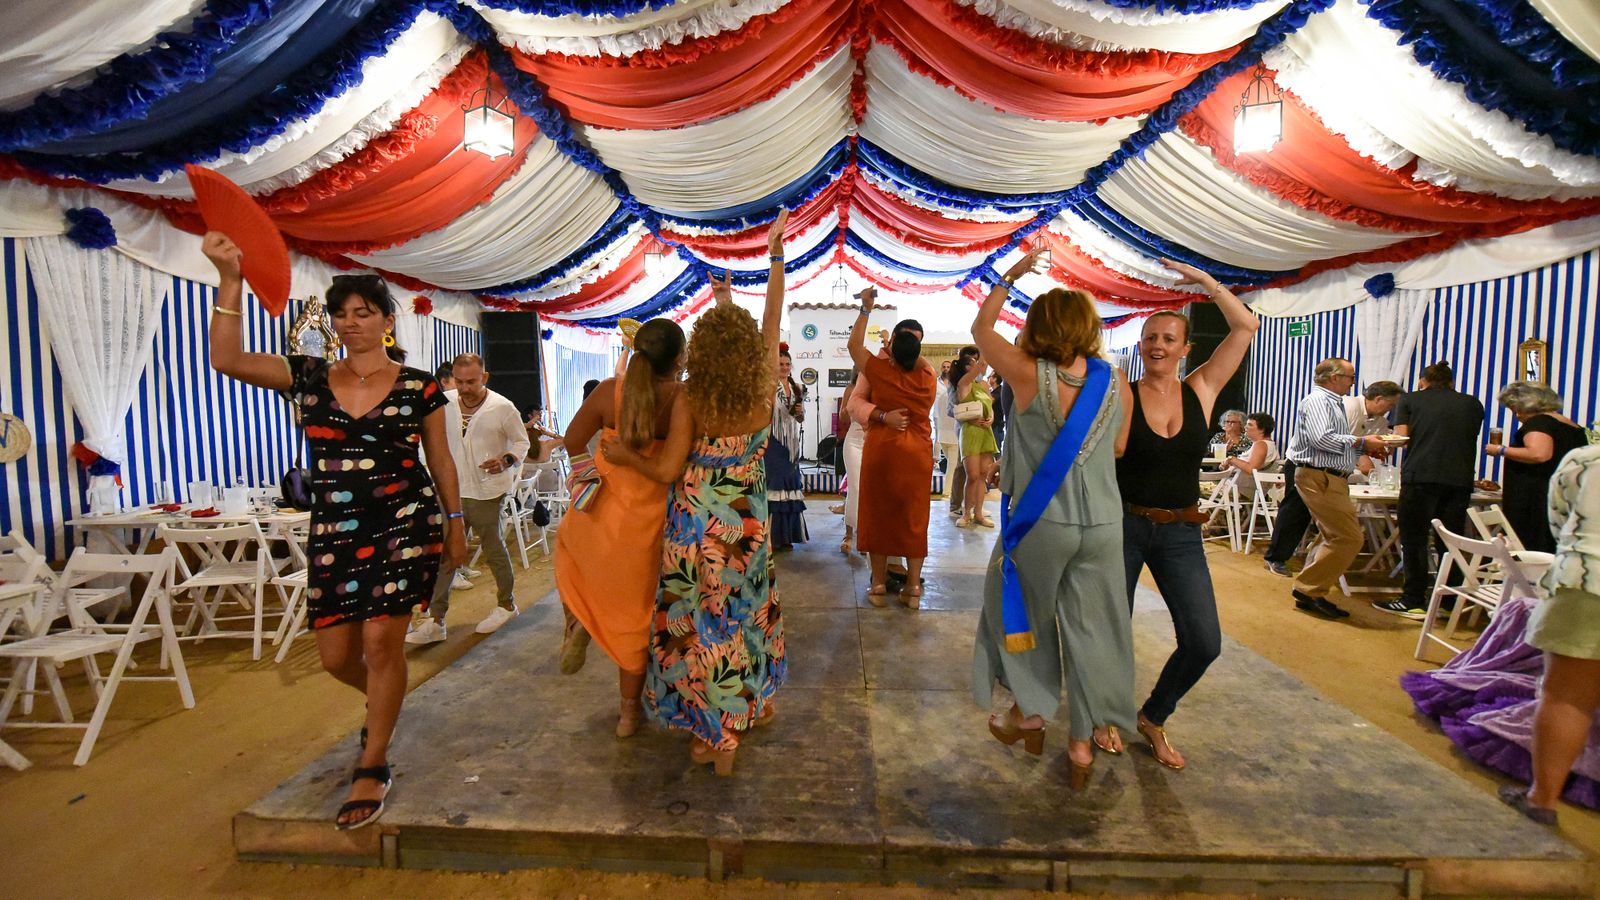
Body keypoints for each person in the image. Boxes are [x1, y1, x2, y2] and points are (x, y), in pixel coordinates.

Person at [202, 235, 467, 830]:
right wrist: (229, 277)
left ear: (386, 320)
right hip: (336, 529)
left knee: (379, 646)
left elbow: (441, 459)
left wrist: (455, 523)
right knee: (335, 657)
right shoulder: (308, 376)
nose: (351, 324)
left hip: (405, 519)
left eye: (363, 313)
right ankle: (385, 703)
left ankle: (373, 762)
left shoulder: (420, 385)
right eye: (341, 314)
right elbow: (226, 359)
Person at [601, 211, 790, 776]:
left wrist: (622, 455)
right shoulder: (761, 388)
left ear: (700, 353)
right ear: (750, 353)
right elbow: (772, 314)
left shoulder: (689, 400)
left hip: (691, 530)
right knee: (741, 620)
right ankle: (737, 719)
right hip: (745, 529)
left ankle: (712, 735)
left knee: (699, 627)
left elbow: (663, 470)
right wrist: (774, 254)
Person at [970, 250, 1136, 788]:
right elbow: (1117, 447)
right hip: (1106, 525)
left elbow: (981, 327)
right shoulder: (1115, 382)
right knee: (1096, 631)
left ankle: (1031, 712)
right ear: (1088, 328)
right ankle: (1083, 745)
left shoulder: (1024, 372)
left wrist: (1012, 274)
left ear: (1037, 327)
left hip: (1045, 522)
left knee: (1019, 610)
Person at [1115, 258, 1258, 771]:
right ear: (1140, 345)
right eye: (1150, 338)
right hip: (1124, 526)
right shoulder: (1123, 394)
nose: (1157, 346)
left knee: (1203, 640)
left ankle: (1152, 715)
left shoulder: (1202, 389)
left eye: (1168, 339)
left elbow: (1245, 326)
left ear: (1184, 348)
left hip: (1180, 531)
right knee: (1112, 629)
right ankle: (1104, 713)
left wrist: (1207, 284)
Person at [555, 318, 686, 737]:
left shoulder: (609, 392)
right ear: (681, 359)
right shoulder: (682, 400)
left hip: (596, 513)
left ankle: (578, 621)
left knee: (575, 568)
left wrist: (588, 479)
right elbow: (675, 468)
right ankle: (629, 713)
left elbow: (572, 441)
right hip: (646, 523)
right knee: (635, 616)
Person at [1500, 445, 1600, 826]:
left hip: (1588, 581)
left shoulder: (1586, 461)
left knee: (1568, 698)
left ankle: (1542, 799)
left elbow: (1559, 521)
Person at [407, 354, 530, 645]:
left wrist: (507, 459)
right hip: (451, 490)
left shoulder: (503, 408)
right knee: (447, 553)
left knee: (493, 548)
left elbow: (522, 441)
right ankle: (436, 620)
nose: (464, 388)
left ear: (484, 378)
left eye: (471, 382)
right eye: (460, 381)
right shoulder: (444, 403)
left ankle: (506, 604)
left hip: (487, 491)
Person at [1282, 358, 1391, 621]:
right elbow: (1322, 439)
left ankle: (1313, 590)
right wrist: (1363, 442)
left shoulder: (1332, 402)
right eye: (1350, 377)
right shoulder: (1319, 401)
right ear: (1333, 378)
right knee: (1348, 537)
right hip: (1320, 476)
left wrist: (1364, 446)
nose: (1353, 382)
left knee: (1332, 535)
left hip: (1329, 476)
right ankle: (1308, 588)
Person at [848, 288, 936, 606]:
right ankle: (913, 589)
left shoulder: (880, 369)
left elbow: (853, 346)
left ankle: (879, 586)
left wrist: (866, 309)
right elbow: (855, 404)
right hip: (917, 456)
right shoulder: (928, 376)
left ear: (893, 347)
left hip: (882, 451)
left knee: (877, 516)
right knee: (915, 518)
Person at [1376, 362, 1484, 619]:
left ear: (1422, 381)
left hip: (1420, 476)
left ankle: (1413, 599)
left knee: (1414, 540)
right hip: (1459, 479)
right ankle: (1449, 600)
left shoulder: (1410, 400)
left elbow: (1402, 438)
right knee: (1452, 540)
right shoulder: (1472, 404)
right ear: (1451, 381)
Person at [1264, 380, 1400, 577]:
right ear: (1379, 399)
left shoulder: (1378, 420)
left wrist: (1376, 449)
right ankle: (1276, 557)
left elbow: (1364, 446)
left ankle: (1314, 563)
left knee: (1330, 520)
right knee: (1296, 510)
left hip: (1333, 470)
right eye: (1391, 404)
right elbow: (1328, 440)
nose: (1391, 409)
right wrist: (1362, 451)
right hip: (1305, 463)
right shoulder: (1348, 406)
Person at [1486, 381, 1590, 553]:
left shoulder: (1539, 423)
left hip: (1535, 499)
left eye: (1515, 408)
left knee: (1532, 548)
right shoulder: (1569, 425)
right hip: (1563, 496)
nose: (1516, 414)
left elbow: (1539, 454)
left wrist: (1500, 449)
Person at [767, 346, 809, 550]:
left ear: (791, 366)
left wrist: (800, 412)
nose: (784, 367)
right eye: (780, 364)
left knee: (791, 485)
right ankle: (771, 537)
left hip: (792, 444)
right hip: (773, 442)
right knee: (774, 485)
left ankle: (786, 537)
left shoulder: (798, 388)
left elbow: (801, 418)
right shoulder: (767, 387)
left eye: (786, 364)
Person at [952, 353, 998, 528]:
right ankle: (966, 513)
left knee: (982, 475)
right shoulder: (964, 384)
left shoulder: (984, 385)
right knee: (971, 475)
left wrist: (991, 418)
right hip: (970, 432)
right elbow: (980, 366)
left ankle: (979, 513)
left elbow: (989, 406)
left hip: (986, 432)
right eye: (973, 363)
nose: (979, 365)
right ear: (966, 368)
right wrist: (984, 351)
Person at [940, 347, 980, 519]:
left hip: (979, 427)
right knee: (960, 467)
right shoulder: (956, 380)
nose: (973, 364)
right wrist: (968, 414)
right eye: (970, 360)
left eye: (975, 360)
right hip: (962, 427)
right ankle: (956, 504)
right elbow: (951, 409)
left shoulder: (979, 379)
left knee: (978, 469)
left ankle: (973, 505)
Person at [1222, 412, 1280, 501]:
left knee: (1201, 489)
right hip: (1251, 490)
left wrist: (1231, 459)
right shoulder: (1270, 445)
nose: (1245, 427)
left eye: (1250, 425)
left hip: (1242, 490)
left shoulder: (1261, 445)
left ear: (1262, 429)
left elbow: (1251, 468)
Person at [838, 370, 863, 554]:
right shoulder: (851, 388)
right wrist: (848, 410)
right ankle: (849, 534)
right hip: (854, 440)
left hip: (874, 440)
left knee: (869, 489)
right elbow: (842, 418)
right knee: (854, 487)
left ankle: (864, 534)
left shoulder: (879, 388)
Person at [935, 361, 959, 506]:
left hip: (943, 434)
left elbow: (936, 416)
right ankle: (947, 491)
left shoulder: (943, 395)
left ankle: (948, 490)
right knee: (953, 466)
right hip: (953, 435)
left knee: (951, 466)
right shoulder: (953, 395)